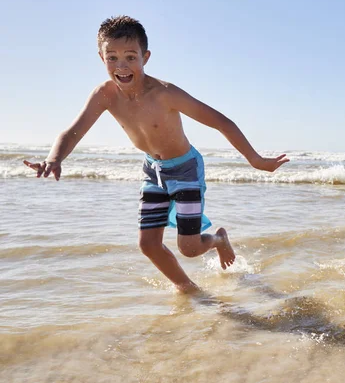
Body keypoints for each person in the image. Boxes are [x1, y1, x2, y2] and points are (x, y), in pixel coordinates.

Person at [24, 16, 289, 294]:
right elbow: (73, 132)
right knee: (148, 244)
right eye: (112, 58)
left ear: (145, 57)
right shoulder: (105, 95)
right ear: (101, 57)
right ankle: (189, 290)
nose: (121, 66)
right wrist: (55, 158)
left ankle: (218, 241)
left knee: (189, 248)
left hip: (186, 168)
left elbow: (221, 122)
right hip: (153, 170)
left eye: (130, 57)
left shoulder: (165, 93)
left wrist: (256, 160)